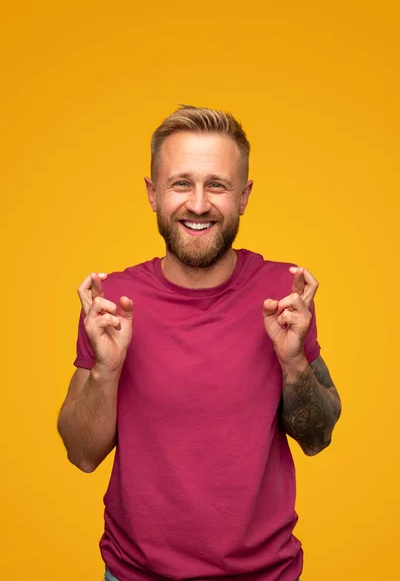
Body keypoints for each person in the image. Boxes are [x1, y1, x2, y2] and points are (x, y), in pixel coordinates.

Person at [58, 105, 342, 581]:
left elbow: (317, 438)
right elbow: (82, 454)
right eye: (180, 183)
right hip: (134, 575)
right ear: (152, 193)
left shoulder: (284, 295)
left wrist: (294, 364)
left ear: (244, 196)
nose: (197, 203)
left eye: (217, 184)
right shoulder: (112, 303)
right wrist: (106, 370)